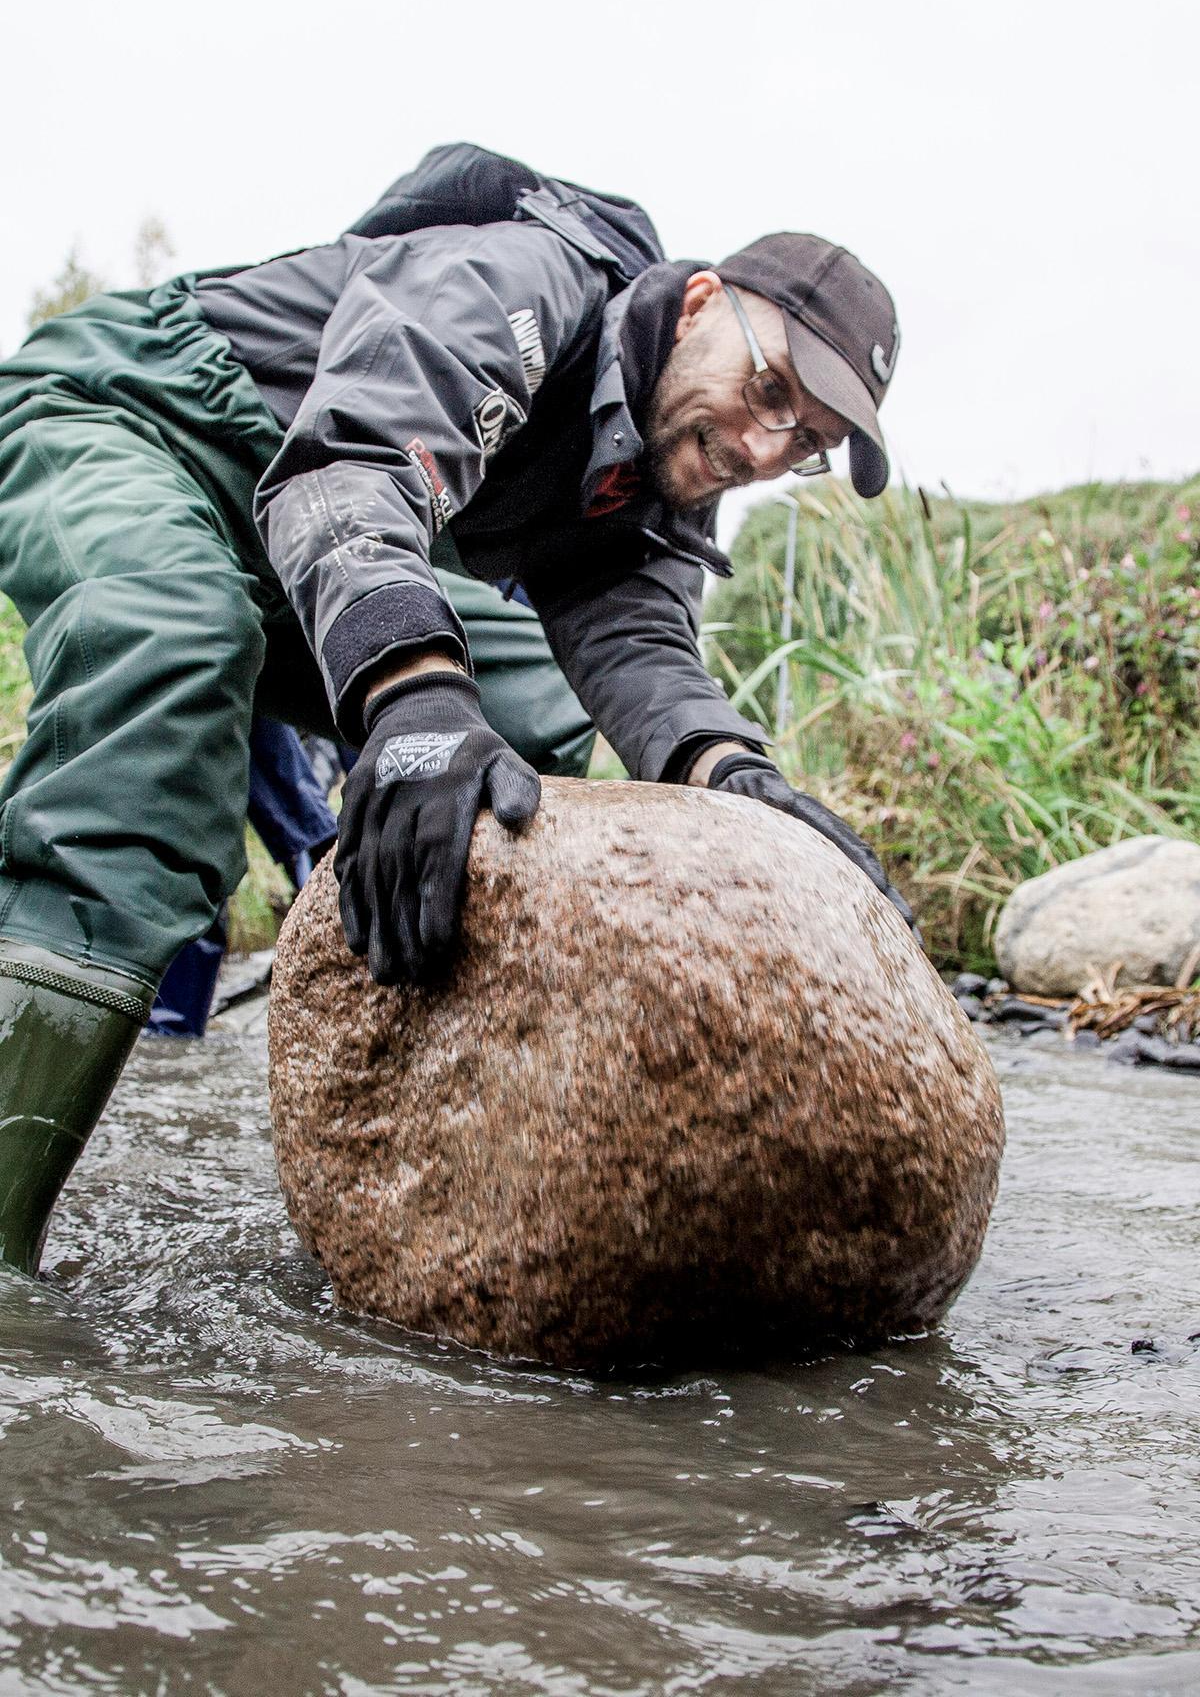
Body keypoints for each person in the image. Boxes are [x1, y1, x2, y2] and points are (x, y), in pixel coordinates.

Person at [0, 142, 910, 1276]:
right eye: (772, 391)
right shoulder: (524, 280)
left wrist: (738, 777)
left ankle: (436, 1136)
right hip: (138, 418)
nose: (767, 447)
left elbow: (637, 650)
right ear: (703, 305)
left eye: (809, 444)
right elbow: (352, 466)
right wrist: (413, 701)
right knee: (182, 650)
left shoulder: (656, 481)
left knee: (536, 735)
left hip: (316, 538)